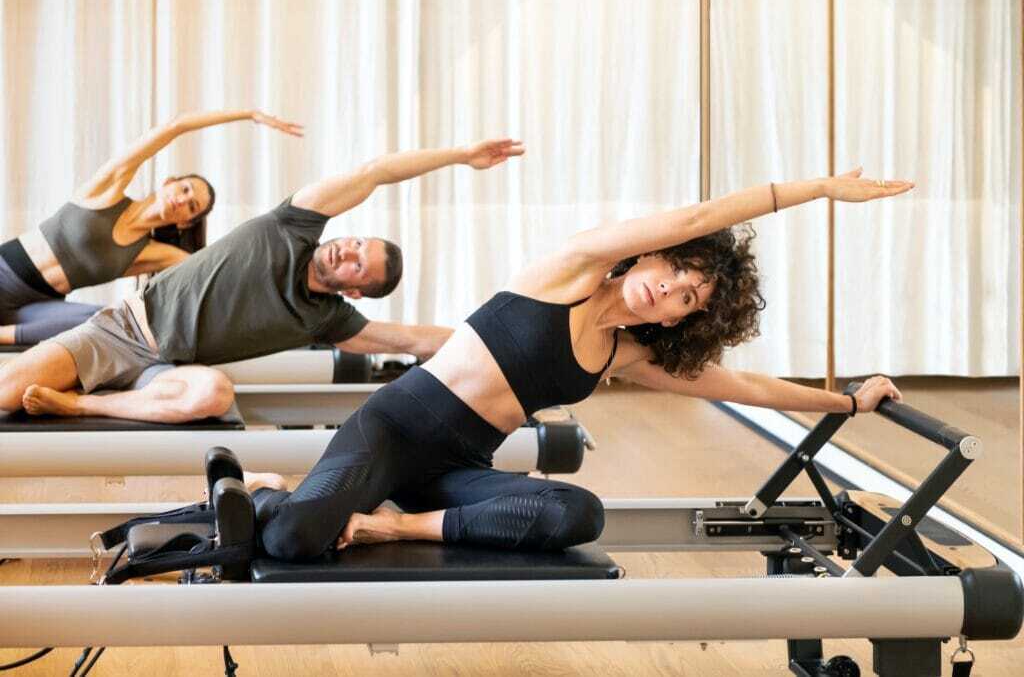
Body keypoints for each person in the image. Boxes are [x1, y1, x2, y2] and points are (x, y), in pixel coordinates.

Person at [246, 168, 913, 561]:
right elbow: (704, 214)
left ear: (677, 321)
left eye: (687, 299)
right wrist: (817, 188)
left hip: (454, 473)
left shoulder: (626, 353)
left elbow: (742, 385)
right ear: (652, 253)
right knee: (291, 538)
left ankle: (392, 526)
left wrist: (846, 402)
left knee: (577, 514)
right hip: (394, 429)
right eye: (677, 269)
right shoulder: (571, 269)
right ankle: (265, 489)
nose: (670, 290)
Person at [0, 139, 525, 422]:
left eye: (358, 266)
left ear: (355, 290)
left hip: (163, 371)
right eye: (356, 242)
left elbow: (414, 340)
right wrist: (460, 157)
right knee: (6, 394)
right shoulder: (291, 225)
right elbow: (374, 172)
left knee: (212, 393)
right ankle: (79, 389)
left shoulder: (328, 320)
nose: (347, 251)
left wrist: (519, 347)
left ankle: (82, 402)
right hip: (120, 331)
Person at [0, 109, 302, 346]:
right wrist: (249, 114)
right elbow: (175, 126)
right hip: (4, 275)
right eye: (185, 189)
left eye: (192, 206)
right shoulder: (106, 191)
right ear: (168, 182)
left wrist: (290, 289)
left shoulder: (152, 254)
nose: (182, 200)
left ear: (185, 222)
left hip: (33, 308)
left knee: (104, 319)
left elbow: (220, 275)